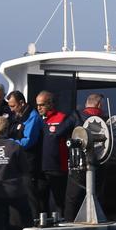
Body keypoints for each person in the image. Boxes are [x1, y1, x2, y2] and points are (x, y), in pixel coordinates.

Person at [36, 91, 77, 219]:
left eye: (42, 105)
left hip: (57, 167)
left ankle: (61, 224)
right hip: (40, 168)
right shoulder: (37, 119)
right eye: (37, 105)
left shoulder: (62, 118)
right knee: (41, 200)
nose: (39, 108)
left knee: (59, 201)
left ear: (50, 104)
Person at [6, 89, 44, 222]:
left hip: (29, 163)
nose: (11, 109)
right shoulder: (15, 117)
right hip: (17, 163)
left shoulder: (32, 117)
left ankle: (35, 221)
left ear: (21, 103)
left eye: (13, 106)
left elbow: (28, 141)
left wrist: (9, 144)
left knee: (30, 194)